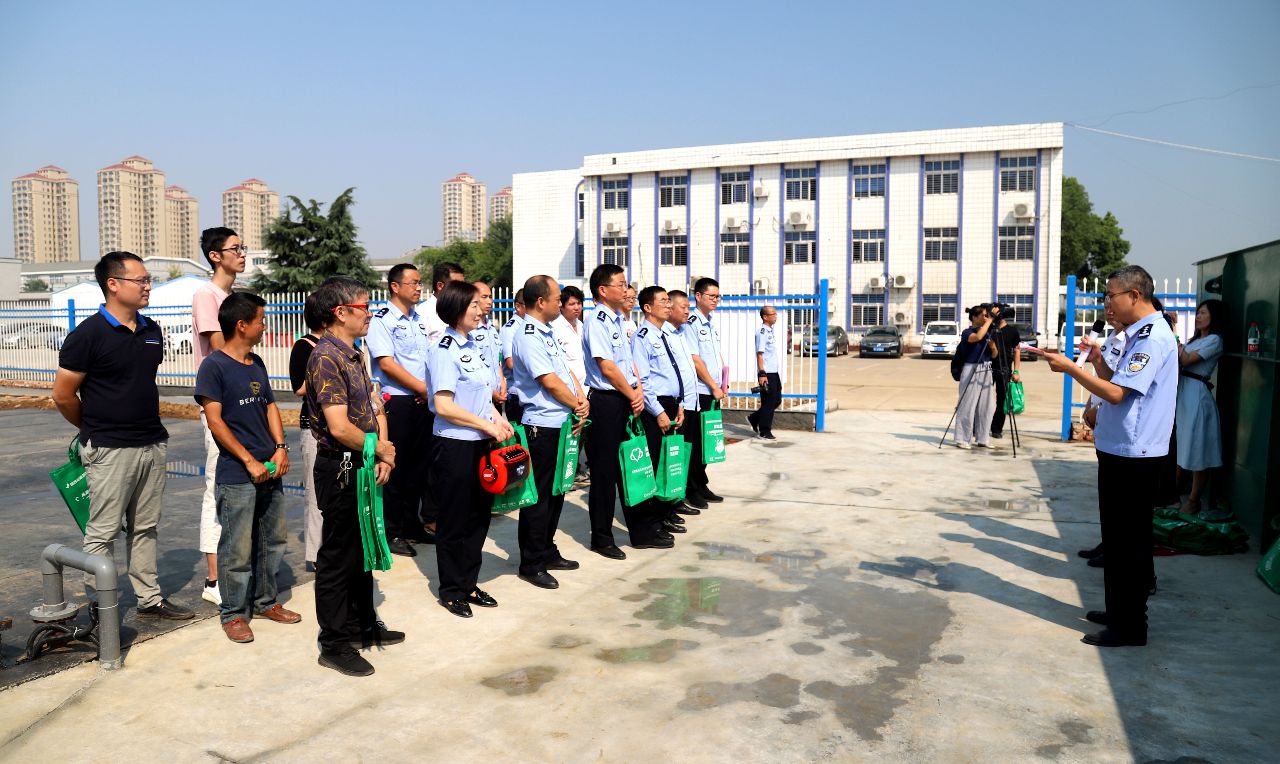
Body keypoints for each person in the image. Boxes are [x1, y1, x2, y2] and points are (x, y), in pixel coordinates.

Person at [52, 252, 193, 620]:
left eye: (149, 280)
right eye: (140, 280)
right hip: (109, 448)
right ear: (113, 284)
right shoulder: (87, 335)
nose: (148, 286)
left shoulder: (151, 331)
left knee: (145, 527)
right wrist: (92, 427)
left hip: (151, 442)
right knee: (104, 531)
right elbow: (63, 395)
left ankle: (150, 598)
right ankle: (102, 605)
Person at [1046, 265, 1177, 648]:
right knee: (1117, 539)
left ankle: (1131, 626)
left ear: (1134, 295)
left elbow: (1119, 395)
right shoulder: (1137, 335)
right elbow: (1116, 381)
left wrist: (1070, 368)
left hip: (1135, 454)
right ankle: (1119, 611)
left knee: (1130, 545)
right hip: (1119, 447)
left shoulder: (1152, 338)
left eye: (1111, 296)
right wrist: (1096, 362)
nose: (1107, 303)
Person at [306, 276, 402, 677]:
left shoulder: (353, 352)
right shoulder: (325, 357)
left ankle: (361, 625)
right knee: (338, 557)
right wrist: (379, 448)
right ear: (340, 313)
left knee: (362, 550)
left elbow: (374, 407)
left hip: (363, 462)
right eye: (365, 308)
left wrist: (384, 451)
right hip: (342, 467)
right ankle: (334, 643)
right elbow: (339, 427)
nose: (370, 314)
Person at [194, 292, 301, 643]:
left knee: (273, 541)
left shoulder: (256, 363)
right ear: (242, 325)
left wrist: (281, 448)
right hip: (239, 473)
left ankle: (266, 601)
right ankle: (234, 614)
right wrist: (249, 460)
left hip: (270, 467)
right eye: (260, 318)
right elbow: (216, 421)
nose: (264, 324)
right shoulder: (213, 366)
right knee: (237, 548)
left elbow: (270, 406)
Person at [427, 281, 513, 617]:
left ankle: (469, 582)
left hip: (481, 443)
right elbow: (444, 405)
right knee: (455, 520)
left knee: (478, 516)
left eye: (480, 304)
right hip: (455, 446)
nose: (480, 310)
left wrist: (497, 420)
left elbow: (479, 397)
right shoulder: (443, 349)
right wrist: (486, 425)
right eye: (474, 305)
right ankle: (451, 589)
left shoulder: (471, 345)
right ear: (456, 309)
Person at [511, 275, 590, 589]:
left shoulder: (548, 331)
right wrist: (577, 405)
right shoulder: (528, 335)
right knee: (539, 497)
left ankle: (546, 549)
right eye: (557, 297)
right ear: (540, 302)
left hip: (564, 422)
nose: (562, 301)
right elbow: (548, 381)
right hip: (542, 425)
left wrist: (580, 400)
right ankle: (531, 562)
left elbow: (566, 371)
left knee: (558, 491)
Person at [192, 226, 245, 606]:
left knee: (241, 485)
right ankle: (214, 580)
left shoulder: (234, 297)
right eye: (235, 249)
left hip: (243, 403)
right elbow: (219, 346)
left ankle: (236, 567)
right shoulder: (205, 295)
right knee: (216, 485)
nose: (242, 255)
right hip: (218, 405)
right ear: (215, 255)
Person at [365, 264, 432, 558]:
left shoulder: (419, 320)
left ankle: (411, 524)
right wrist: (420, 388)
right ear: (395, 286)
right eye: (413, 283)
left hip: (420, 398)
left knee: (419, 467)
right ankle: (391, 531)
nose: (418, 288)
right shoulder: (382, 320)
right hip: (399, 401)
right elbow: (388, 363)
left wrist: (425, 389)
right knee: (395, 465)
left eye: (420, 283)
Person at [583, 264, 647, 558]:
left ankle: (641, 530)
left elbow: (628, 360)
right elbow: (606, 366)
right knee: (605, 473)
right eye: (620, 284)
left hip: (627, 397)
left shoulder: (620, 319)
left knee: (632, 465)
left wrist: (638, 390)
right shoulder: (596, 320)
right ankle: (602, 537)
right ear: (603, 290)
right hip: (608, 401)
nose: (625, 289)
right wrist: (631, 392)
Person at [630, 286, 688, 543]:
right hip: (656, 408)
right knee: (650, 468)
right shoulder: (642, 336)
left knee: (667, 464)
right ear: (647, 308)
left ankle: (663, 514)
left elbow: (673, 373)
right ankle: (648, 526)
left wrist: (680, 404)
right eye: (663, 301)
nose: (668, 305)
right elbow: (644, 380)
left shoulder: (664, 334)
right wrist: (659, 412)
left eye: (668, 300)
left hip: (671, 405)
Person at [1175, 299, 1226, 517]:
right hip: (1185, 393)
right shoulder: (1195, 340)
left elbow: (1184, 359)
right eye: (1197, 313)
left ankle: (1194, 500)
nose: (1198, 316)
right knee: (1182, 444)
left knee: (1197, 448)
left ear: (1214, 316)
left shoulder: (1215, 340)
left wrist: (1173, 333)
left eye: (1203, 313)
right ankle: (1175, 492)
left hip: (1197, 394)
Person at [680, 277, 728, 508]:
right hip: (702, 391)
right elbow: (695, 360)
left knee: (709, 441)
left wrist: (723, 380)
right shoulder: (692, 322)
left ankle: (701, 483)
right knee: (697, 442)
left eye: (718, 296)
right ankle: (691, 488)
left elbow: (715, 356)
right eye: (712, 296)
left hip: (713, 389)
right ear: (697, 296)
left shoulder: (709, 322)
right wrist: (713, 386)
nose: (715, 300)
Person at [288, 294, 326, 568]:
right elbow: (298, 388)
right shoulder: (304, 346)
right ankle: (315, 553)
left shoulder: (344, 346)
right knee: (315, 493)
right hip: (314, 426)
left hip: (342, 427)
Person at [666, 289, 703, 519]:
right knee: (673, 457)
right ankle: (671, 501)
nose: (688, 312)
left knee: (684, 455)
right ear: (670, 308)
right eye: (684, 307)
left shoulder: (681, 333)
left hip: (689, 403)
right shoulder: (665, 334)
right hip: (677, 405)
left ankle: (679, 497)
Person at [953, 305, 998, 449]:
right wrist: (990, 321)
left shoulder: (987, 332)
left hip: (987, 368)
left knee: (987, 406)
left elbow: (994, 354)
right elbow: (977, 337)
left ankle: (983, 438)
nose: (986, 318)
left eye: (987, 315)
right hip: (972, 368)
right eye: (983, 315)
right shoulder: (967, 332)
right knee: (968, 405)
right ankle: (962, 438)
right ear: (974, 317)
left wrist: (992, 346)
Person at [748, 305, 781, 440]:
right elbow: (760, 354)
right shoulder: (761, 332)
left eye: (775, 313)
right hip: (766, 373)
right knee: (768, 402)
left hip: (774, 372)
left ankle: (754, 418)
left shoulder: (769, 331)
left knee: (776, 400)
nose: (775, 316)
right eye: (773, 314)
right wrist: (762, 374)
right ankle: (764, 431)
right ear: (765, 317)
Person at [473, 280, 507, 409]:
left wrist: (502, 383)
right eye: (484, 297)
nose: (489, 301)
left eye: (490, 297)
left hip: (497, 394)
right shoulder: (471, 329)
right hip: (481, 395)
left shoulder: (492, 327)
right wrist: (491, 392)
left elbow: (496, 359)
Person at [989, 306, 1022, 440]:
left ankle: (996, 428)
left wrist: (1016, 370)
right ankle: (977, 427)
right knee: (982, 399)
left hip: (1005, 369)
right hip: (989, 367)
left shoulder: (1013, 331)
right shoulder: (990, 329)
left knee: (1002, 400)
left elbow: (1017, 351)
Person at [501, 289, 528, 424]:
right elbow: (510, 362)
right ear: (518, 306)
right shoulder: (510, 328)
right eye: (528, 305)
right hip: (518, 394)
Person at [423, 261, 466, 342]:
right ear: (440, 286)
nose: (462, 289)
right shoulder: (422, 314)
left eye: (463, 285)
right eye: (457, 285)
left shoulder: (464, 311)